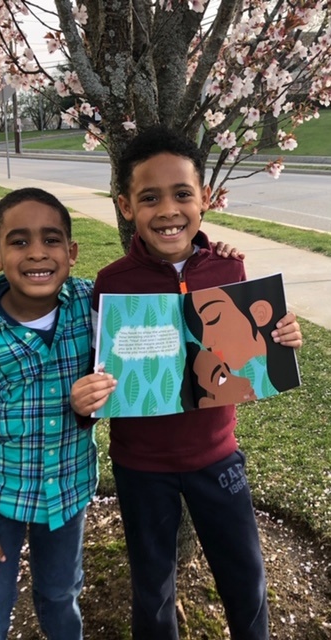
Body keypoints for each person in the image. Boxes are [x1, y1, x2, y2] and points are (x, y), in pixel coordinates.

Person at [70, 125, 302, 640]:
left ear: (205, 199)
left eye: (182, 194)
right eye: (149, 198)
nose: (168, 210)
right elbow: (97, 369)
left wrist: (281, 336)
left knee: (245, 576)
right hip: (140, 466)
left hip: (217, 456)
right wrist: (87, 401)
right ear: (126, 207)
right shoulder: (112, 283)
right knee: (152, 588)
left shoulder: (228, 265)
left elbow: (253, 348)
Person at [0, 187, 97, 640]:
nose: (37, 253)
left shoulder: (94, 309)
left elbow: (158, 306)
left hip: (68, 493)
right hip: (1, 501)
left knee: (60, 595)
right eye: (19, 242)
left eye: (52, 240)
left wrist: (209, 253)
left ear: (71, 252)